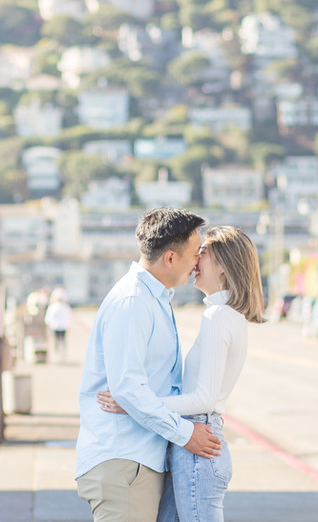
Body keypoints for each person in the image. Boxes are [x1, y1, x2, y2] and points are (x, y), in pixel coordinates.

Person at [98, 225, 265, 522]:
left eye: (204, 254)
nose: (196, 262)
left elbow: (203, 399)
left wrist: (134, 405)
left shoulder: (219, 316)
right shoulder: (226, 315)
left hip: (198, 443)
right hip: (193, 444)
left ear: (224, 266)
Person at [75, 207, 222, 522]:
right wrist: (185, 433)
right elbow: (127, 389)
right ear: (170, 258)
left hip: (138, 461)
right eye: (196, 253)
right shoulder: (133, 302)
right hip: (124, 461)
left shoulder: (154, 299)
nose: (199, 260)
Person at [44, 290, 72, 357]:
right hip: (63, 326)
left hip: (55, 326)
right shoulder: (65, 307)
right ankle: (63, 353)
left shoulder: (52, 307)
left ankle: (57, 353)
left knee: (56, 340)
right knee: (63, 340)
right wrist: (68, 325)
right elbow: (68, 317)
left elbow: (48, 317)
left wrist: (48, 325)